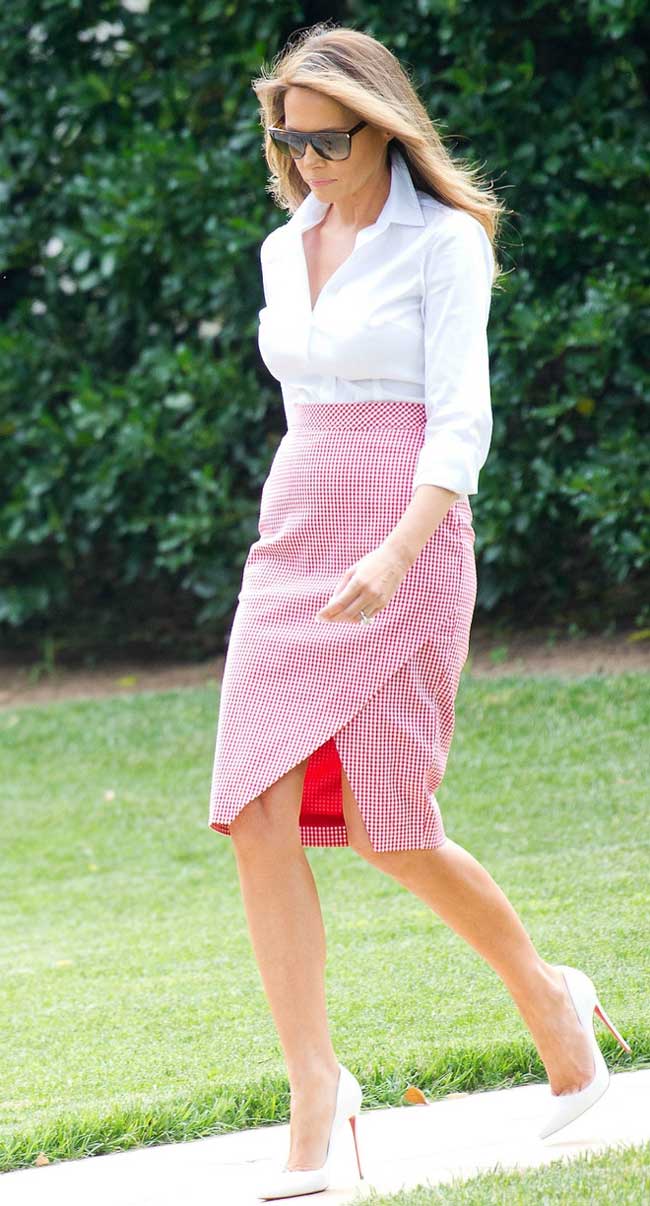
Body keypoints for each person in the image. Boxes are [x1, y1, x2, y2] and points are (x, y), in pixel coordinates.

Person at [207, 23, 631, 1201]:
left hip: (409, 534)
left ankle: (550, 995)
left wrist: (400, 550)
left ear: (381, 126)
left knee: (395, 823)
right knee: (253, 807)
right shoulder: (282, 245)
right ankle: (313, 1087)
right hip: (293, 534)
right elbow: (307, 405)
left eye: (326, 140)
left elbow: (459, 418)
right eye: (286, 142)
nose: (303, 162)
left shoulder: (442, 240)